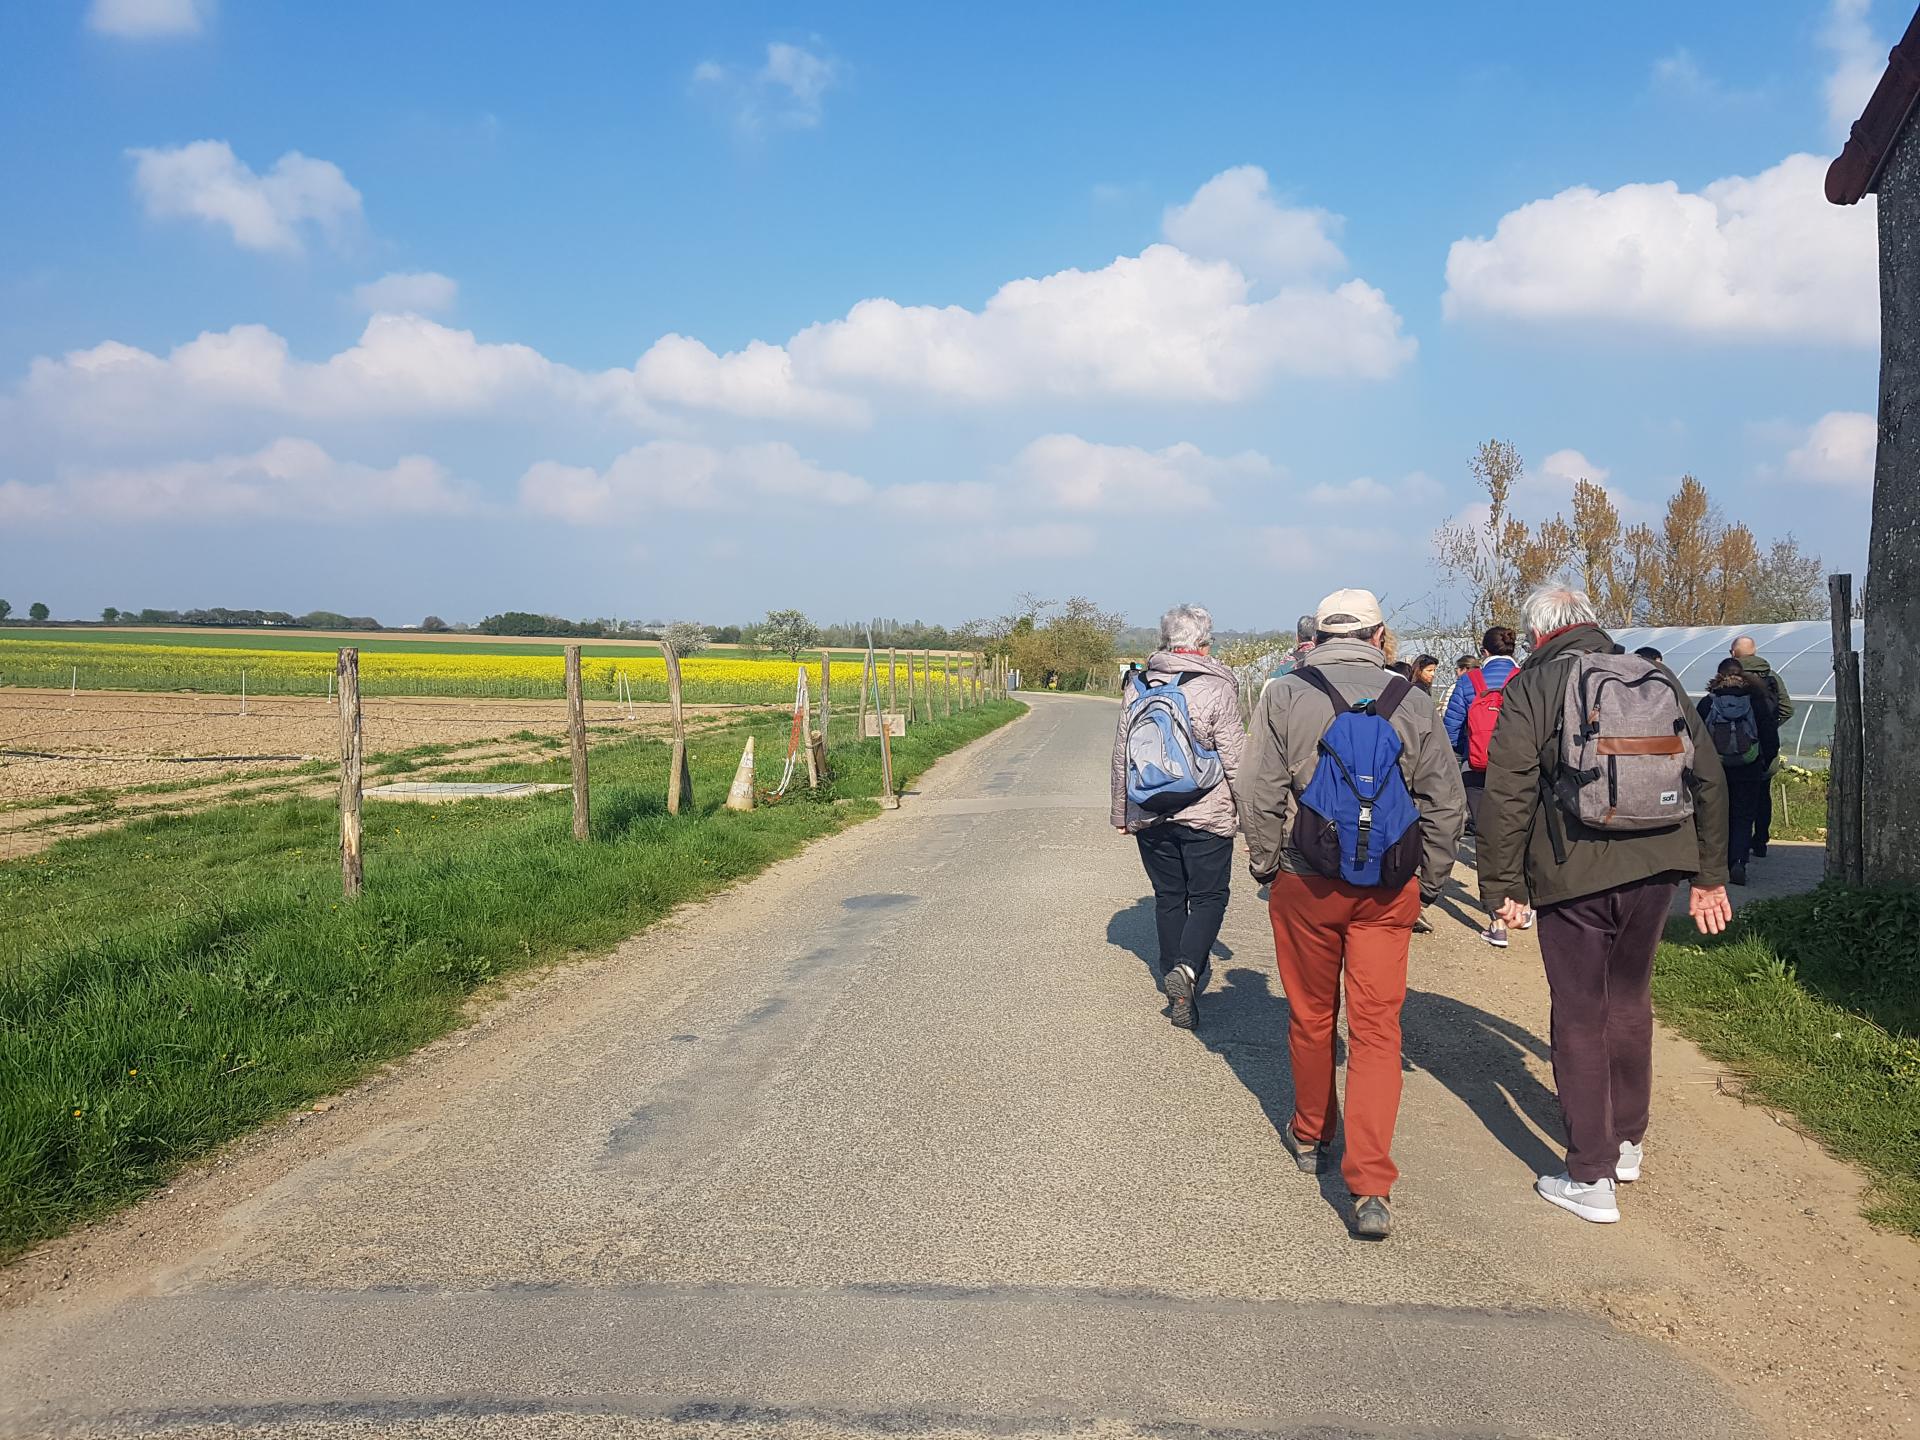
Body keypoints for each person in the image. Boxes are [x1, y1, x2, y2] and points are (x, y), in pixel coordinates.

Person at [1477, 587, 1731, 1226]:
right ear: (1590, 625)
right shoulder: (1655, 676)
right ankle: (1627, 1144)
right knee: (1630, 1000)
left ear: (1539, 635)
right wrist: (1709, 875)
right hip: (1658, 868)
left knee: (1580, 1012)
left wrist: (1501, 886)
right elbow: (1708, 777)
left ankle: (1589, 1177)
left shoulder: (1535, 687)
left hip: (1574, 872)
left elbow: (1507, 790)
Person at [1242, 588, 1465, 1240]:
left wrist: (1265, 863)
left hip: (1305, 880)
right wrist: (1431, 883)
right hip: (1387, 889)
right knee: (1376, 1031)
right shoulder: (1413, 701)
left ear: (1318, 633)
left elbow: (1259, 790)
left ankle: (1311, 1133)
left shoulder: (1283, 694)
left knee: (1312, 1017)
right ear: (1379, 635)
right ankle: (1369, 1186)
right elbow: (1445, 803)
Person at [1111, 604, 1246, 1031]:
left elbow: (1122, 755)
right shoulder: (1215, 687)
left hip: (1151, 810)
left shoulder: (1138, 685)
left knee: (1169, 896)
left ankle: (1173, 973)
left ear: (1164, 643)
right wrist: (1253, 816)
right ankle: (1187, 971)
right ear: (1203, 645)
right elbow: (1236, 759)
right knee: (1208, 896)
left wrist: (1123, 811)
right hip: (1205, 812)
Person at [1443, 627, 1528, 946]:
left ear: (1483, 651)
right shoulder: (1526, 678)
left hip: (1478, 771)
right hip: (1520, 771)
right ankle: (1522, 905)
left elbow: (1451, 729)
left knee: (1487, 842)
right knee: (1519, 836)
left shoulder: (1469, 682)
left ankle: (1497, 921)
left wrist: (1461, 754)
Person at [1699, 658, 1780, 886]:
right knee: (1744, 817)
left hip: (1715, 768)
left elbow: (1696, 737)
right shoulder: (1756, 701)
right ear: (1742, 675)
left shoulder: (1708, 703)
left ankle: (1718, 863)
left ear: (1718, 674)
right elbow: (1769, 734)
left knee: (1717, 816)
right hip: (1749, 766)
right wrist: (1764, 762)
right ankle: (1739, 862)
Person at [1730, 636, 1793, 858]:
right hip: (1764, 747)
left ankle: (1736, 845)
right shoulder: (1772, 677)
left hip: (1732, 748)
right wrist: (1768, 727)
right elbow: (1787, 709)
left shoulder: (1728, 676)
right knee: (1762, 794)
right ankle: (1761, 840)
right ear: (1755, 652)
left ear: (1732, 653)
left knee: (1734, 797)